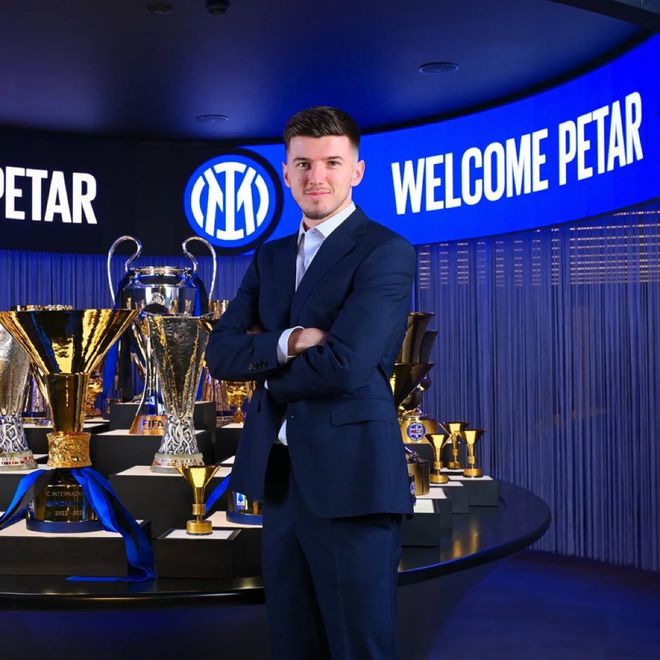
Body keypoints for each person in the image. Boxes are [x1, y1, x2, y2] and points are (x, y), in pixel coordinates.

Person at [205, 106, 416, 659]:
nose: (315, 176)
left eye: (331, 162)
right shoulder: (270, 257)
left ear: (357, 171)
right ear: (285, 172)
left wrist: (265, 372)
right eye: (303, 163)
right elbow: (219, 353)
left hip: (353, 482)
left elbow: (345, 364)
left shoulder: (385, 251)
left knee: (360, 648)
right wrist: (292, 340)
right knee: (293, 645)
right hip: (282, 481)